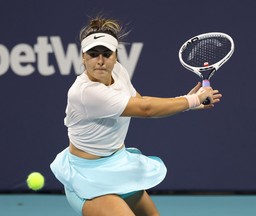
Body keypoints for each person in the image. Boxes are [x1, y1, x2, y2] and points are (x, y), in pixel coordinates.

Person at [50, 15, 222, 216]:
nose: (100, 61)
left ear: (115, 56)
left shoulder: (119, 72)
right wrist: (192, 100)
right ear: (83, 57)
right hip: (87, 177)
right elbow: (145, 109)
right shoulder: (85, 92)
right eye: (93, 54)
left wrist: (187, 105)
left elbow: (138, 101)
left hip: (118, 167)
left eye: (106, 54)